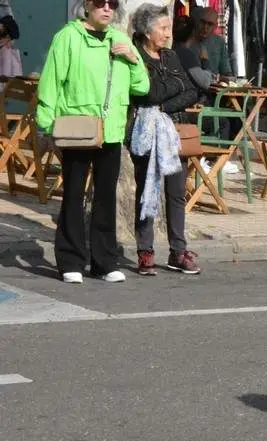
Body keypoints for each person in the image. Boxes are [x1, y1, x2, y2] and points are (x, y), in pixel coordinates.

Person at [36, 0, 150, 284]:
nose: (107, 8)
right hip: (77, 127)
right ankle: (70, 260)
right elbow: (51, 82)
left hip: (110, 131)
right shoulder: (67, 37)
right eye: (100, 2)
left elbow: (142, 87)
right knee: (74, 194)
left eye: (113, 3)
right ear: (87, 5)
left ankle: (104, 261)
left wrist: (134, 60)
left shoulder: (121, 40)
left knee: (105, 197)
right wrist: (46, 124)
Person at [128, 3, 200, 276]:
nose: (168, 34)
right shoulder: (135, 57)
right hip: (145, 133)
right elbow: (148, 93)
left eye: (169, 28)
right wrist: (173, 89)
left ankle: (178, 251)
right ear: (147, 32)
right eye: (163, 28)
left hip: (173, 131)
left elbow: (192, 90)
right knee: (147, 191)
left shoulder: (170, 57)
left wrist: (164, 104)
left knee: (176, 193)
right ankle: (145, 251)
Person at [191, 6, 230, 79]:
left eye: (210, 24)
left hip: (213, 87)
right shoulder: (188, 40)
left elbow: (226, 71)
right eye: (203, 22)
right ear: (197, 21)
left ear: (215, 26)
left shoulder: (219, 42)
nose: (205, 27)